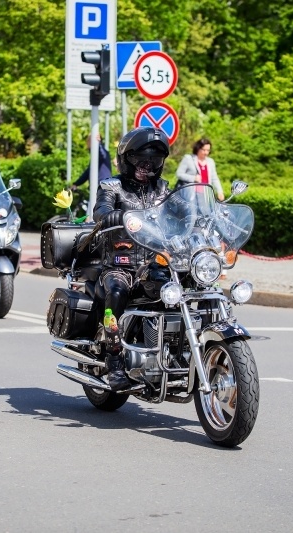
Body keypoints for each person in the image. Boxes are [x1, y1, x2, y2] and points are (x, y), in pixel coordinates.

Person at [93, 127, 172, 390]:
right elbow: (101, 211)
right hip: (119, 264)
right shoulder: (111, 186)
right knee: (116, 292)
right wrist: (110, 215)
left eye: (154, 160)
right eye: (140, 158)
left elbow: (180, 213)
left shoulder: (163, 188)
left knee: (188, 287)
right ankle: (113, 358)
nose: (146, 165)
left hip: (153, 264)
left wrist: (203, 221)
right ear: (126, 158)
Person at [175, 137, 225, 201]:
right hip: (190, 196)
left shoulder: (210, 161)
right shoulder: (188, 159)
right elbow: (179, 174)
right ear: (198, 148)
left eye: (208, 150)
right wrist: (193, 178)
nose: (206, 152)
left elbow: (214, 178)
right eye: (204, 150)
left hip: (205, 196)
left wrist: (220, 191)